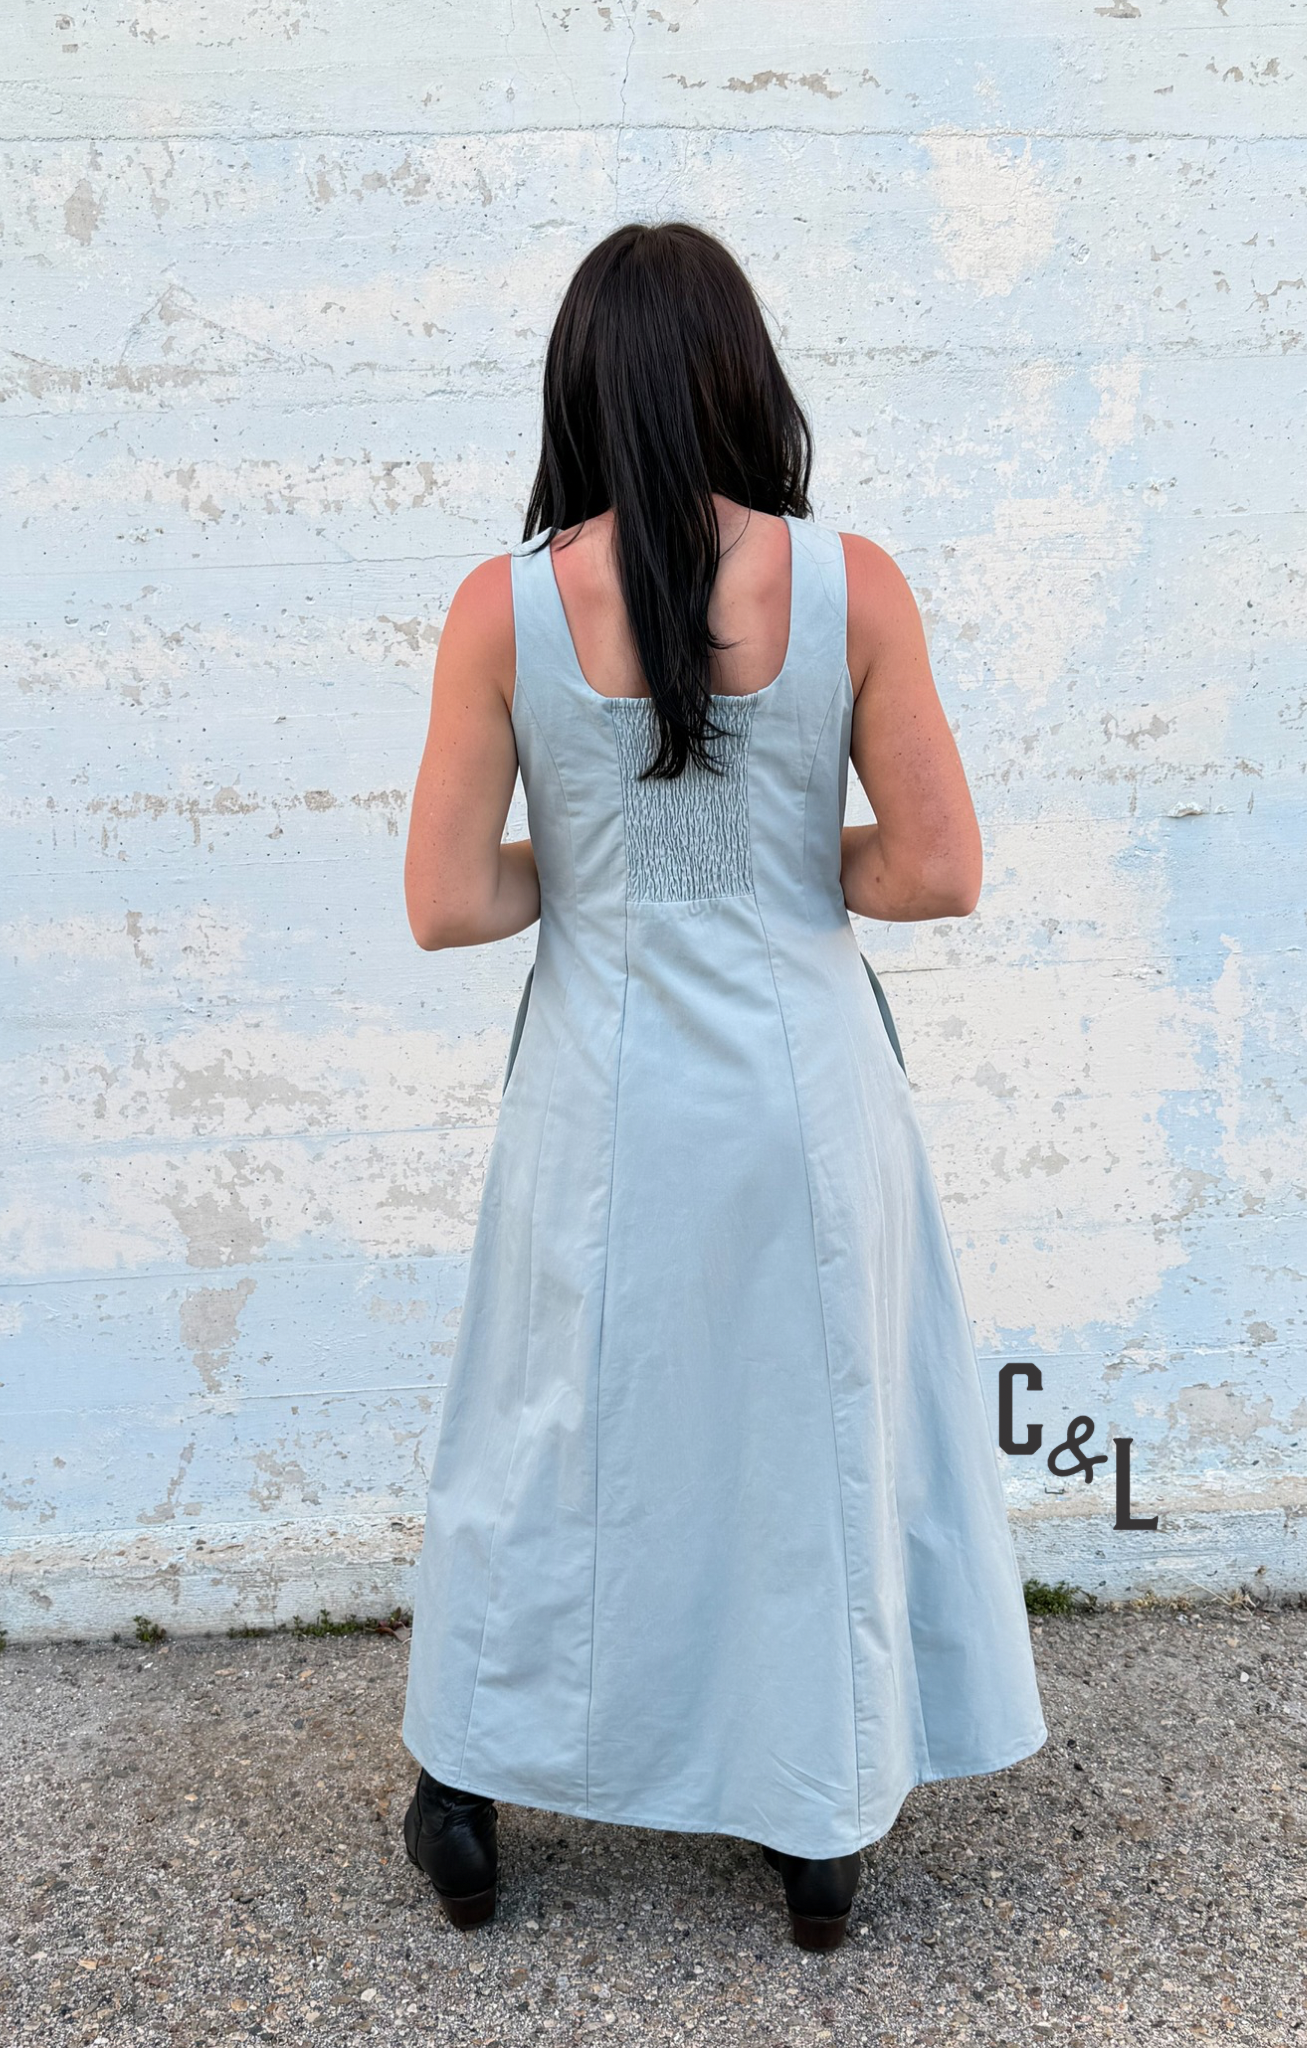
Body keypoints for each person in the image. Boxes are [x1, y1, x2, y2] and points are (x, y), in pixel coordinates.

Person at [398, 221, 1046, 1952]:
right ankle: (813, 1826)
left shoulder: (504, 606)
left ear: (581, 391)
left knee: (545, 1434)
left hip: (599, 1109)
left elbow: (450, 902)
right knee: (802, 1434)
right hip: (801, 1108)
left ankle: (462, 1788)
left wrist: (608, 876)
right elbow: (935, 870)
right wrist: (769, 866)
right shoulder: (858, 587)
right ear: (745, 375)